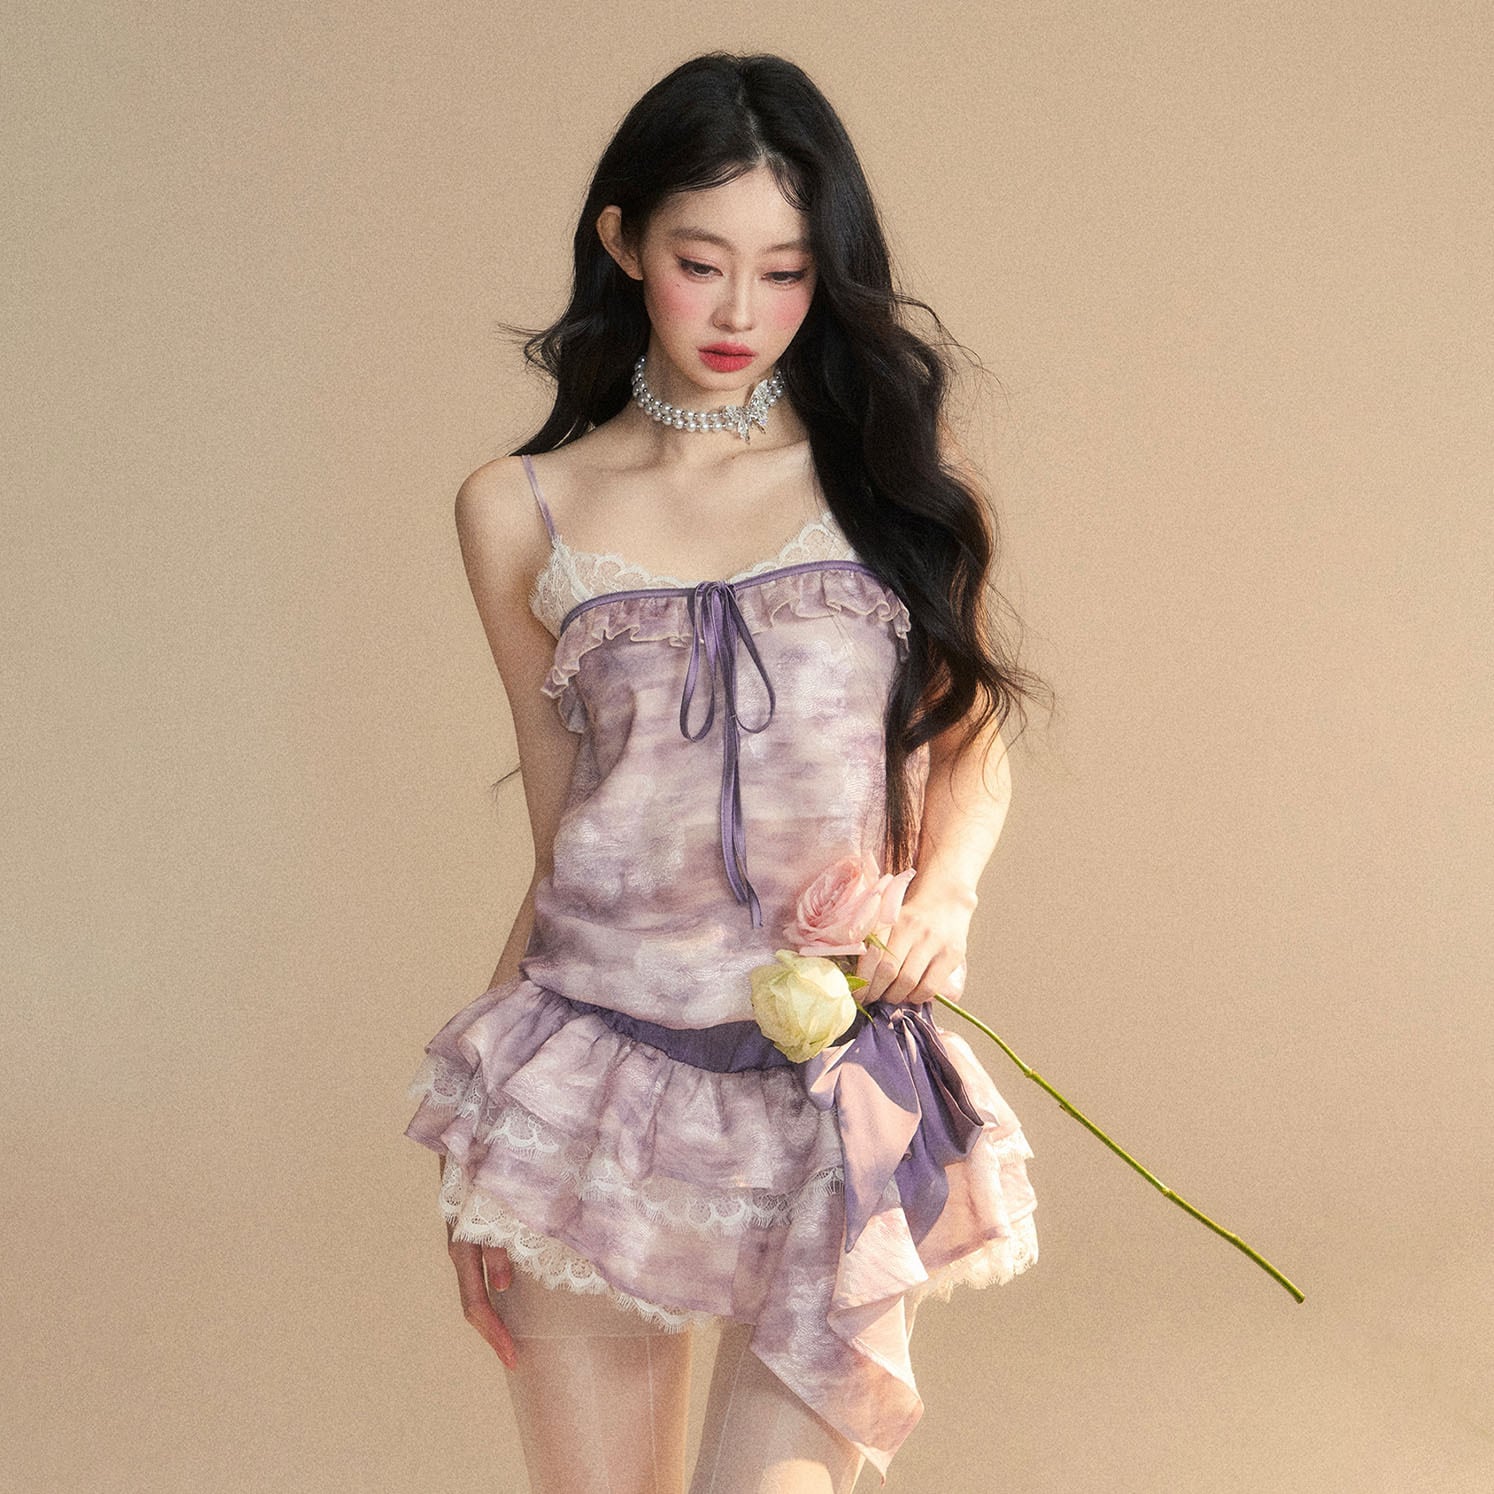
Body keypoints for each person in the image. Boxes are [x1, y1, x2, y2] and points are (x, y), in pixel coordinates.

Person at [404, 51, 1050, 1494]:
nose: (740, 313)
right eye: (701, 264)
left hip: (827, 1089)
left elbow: (971, 738)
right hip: (596, 1085)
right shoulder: (517, 509)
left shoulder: (887, 477)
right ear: (623, 241)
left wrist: (943, 899)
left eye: (785, 273)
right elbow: (566, 833)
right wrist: (492, 1155)